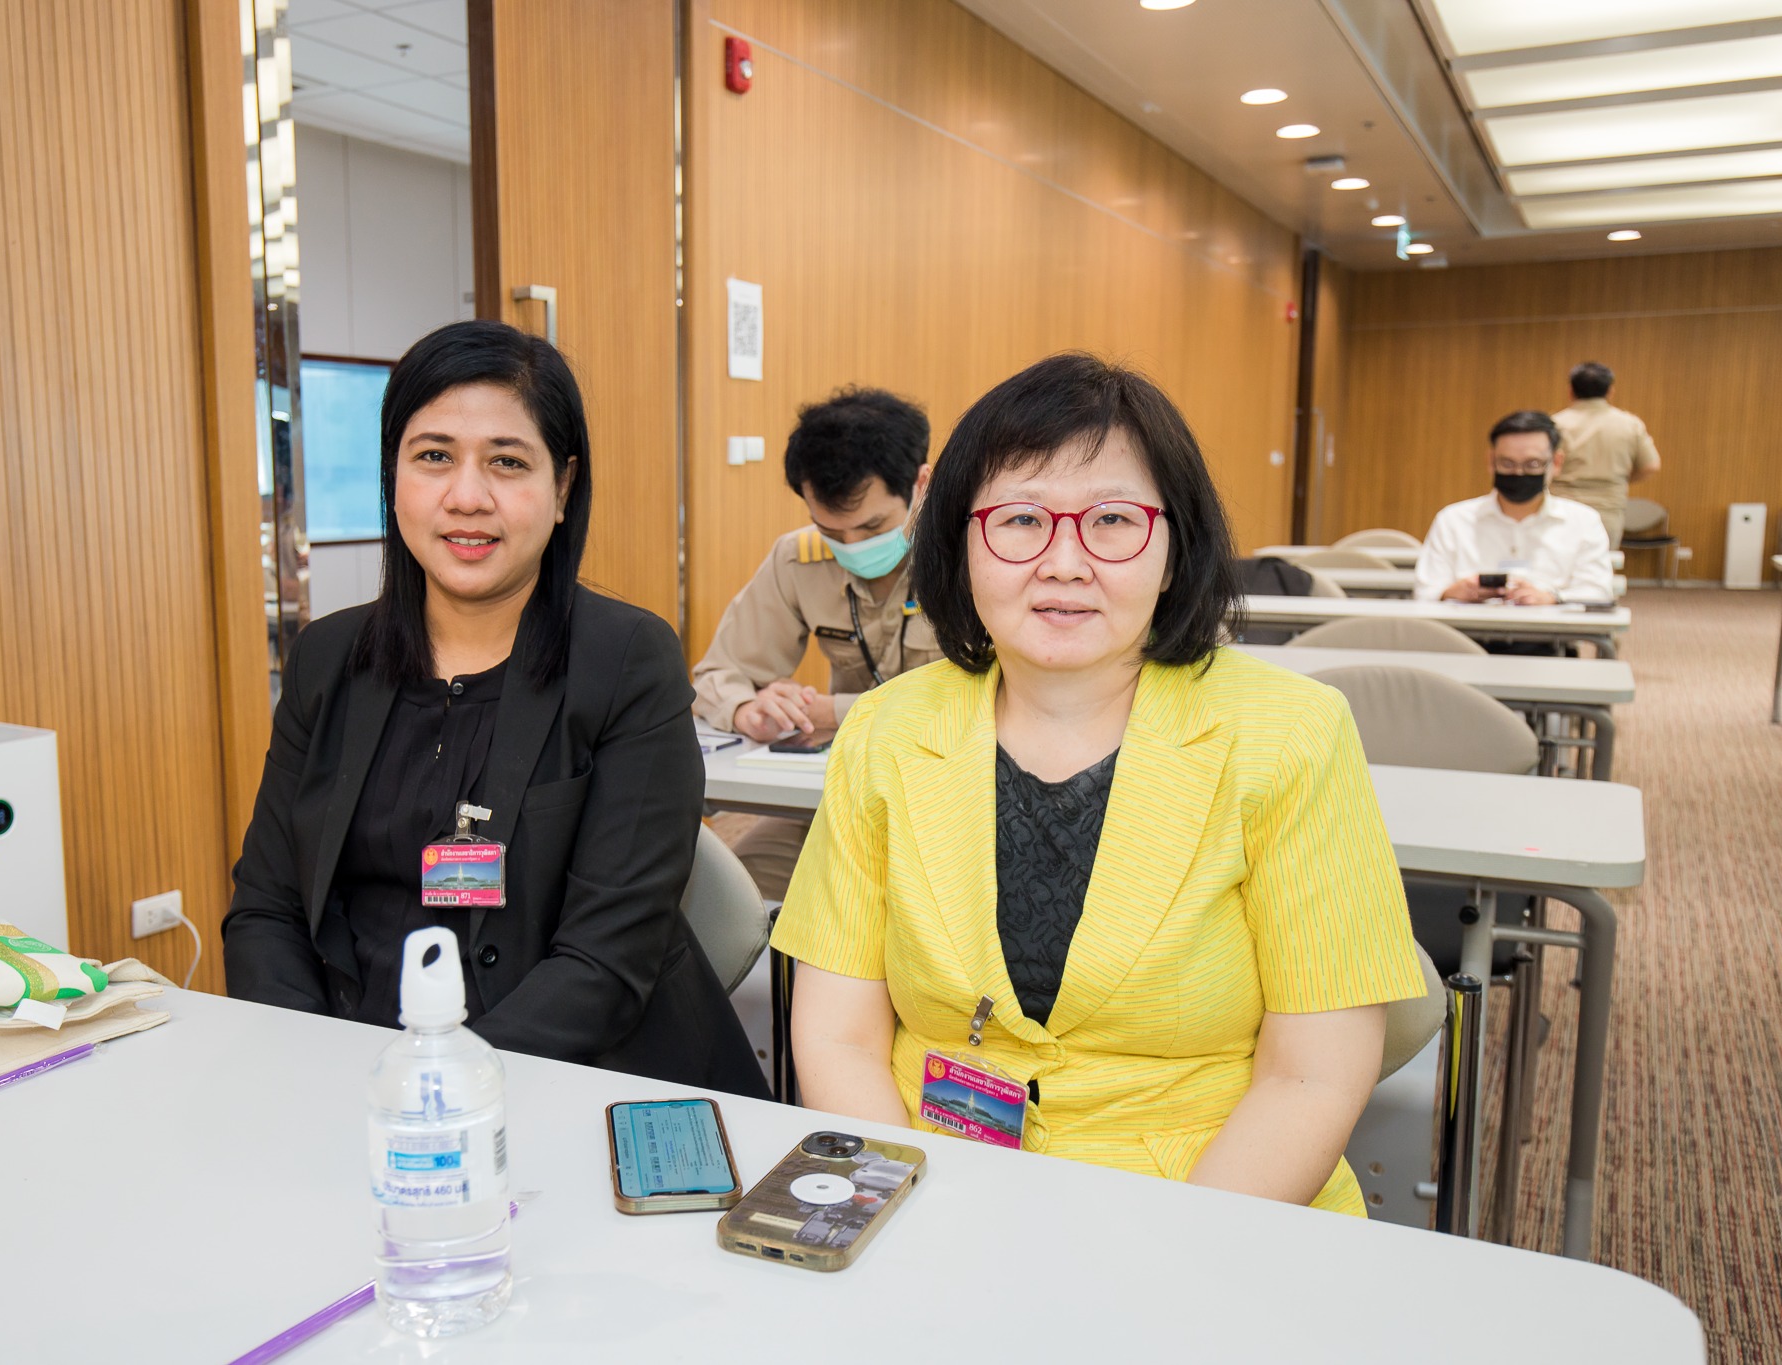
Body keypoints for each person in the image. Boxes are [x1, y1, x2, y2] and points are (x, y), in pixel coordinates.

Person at [771, 353, 1425, 1215]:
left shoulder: (1294, 733)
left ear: (1175, 547)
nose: (1065, 562)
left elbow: (1311, 1077)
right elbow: (838, 1036)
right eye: (1020, 520)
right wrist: (910, 1218)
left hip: (1209, 1207)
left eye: (1113, 520)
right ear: (959, 541)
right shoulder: (884, 730)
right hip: (932, 1187)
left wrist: (1166, 1260)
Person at [224, 319, 765, 1098]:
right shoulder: (327, 659)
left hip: (570, 1081)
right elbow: (266, 910)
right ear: (393, 474)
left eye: (507, 462)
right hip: (347, 1079)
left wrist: (431, 1089)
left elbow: (606, 960)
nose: (467, 497)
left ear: (562, 488)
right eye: (433, 456)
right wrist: (315, 1072)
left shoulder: (626, 660)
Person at [692, 387, 944, 898]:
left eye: (872, 526)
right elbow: (719, 673)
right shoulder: (798, 558)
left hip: (950, 802)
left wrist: (838, 712)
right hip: (840, 799)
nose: (852, 547)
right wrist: (746, 709)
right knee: (730, 898)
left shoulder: (973, 557)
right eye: (830, 529)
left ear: (921, 483)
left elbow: (993, 696)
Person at [1412, 410, 1615, 605]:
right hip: (1466, 628)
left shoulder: (1583, 522)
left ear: (1556, 463)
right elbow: (1425, 592)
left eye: (1532, 464)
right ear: (1491, 461)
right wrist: (1451, 593)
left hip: (1552, 628)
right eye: (1507, 464)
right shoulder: (1453, 520)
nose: (1518, 473)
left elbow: (1598, 592)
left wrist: (1551, 598)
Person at [1552, 361, 1662, 549]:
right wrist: (1622, 479)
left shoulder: (1555, 424)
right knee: (1603, 563)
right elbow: (1651, 465)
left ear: (1571, 391)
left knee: (1559, 562)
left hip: (1563, 506)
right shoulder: (1629, 424)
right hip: (1608, 509)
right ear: (1610, 391)